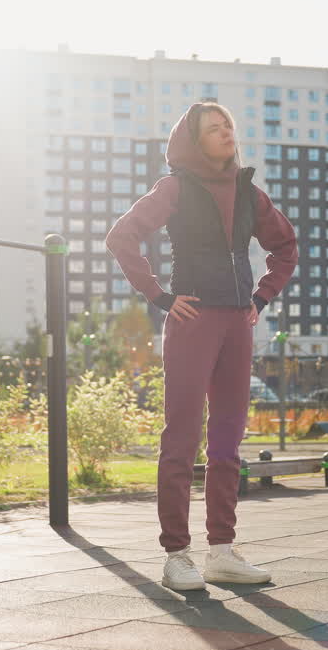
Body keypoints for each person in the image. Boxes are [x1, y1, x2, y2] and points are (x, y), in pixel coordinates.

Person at [106, 102, 297, 590]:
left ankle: (222, 552)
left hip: (239, 323)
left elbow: (285, 247)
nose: (226, 132)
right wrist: (160, 297)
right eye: (214, 128)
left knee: (228, 443)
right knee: (182, 439)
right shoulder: (174, 187)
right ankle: (176, 556)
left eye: (229, 125)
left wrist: (261, 296)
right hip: (192, 322)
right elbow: (122, 236)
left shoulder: (250, 194)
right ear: (194, 142)